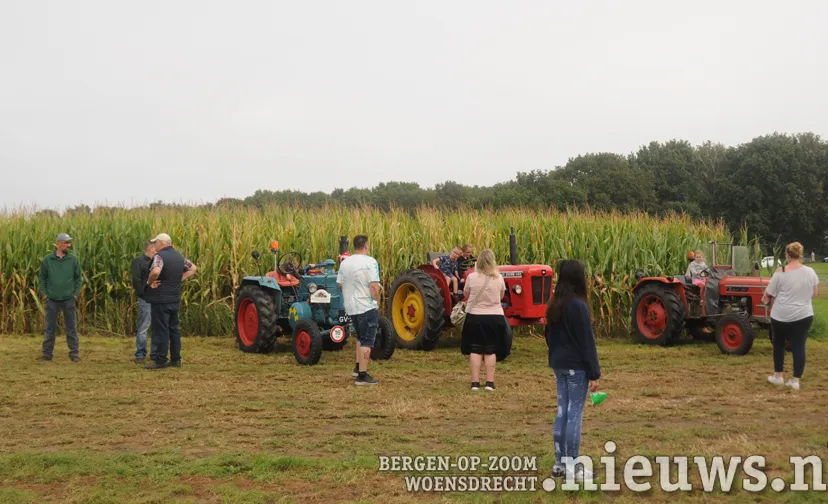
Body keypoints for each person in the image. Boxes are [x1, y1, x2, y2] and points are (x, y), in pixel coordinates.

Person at [544, 259, 601, 483]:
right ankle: (573, 466)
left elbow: (549, 336)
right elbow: (587, 342)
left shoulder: (554, 303)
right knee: (575, 413)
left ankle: (560, 463)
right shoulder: (578, 306)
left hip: (558, 364)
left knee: (562, 412)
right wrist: (594, 372)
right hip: (576, 368)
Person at [762, 242, 819, 390]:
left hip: (781, 315)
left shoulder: (780, 272)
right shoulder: (810, 272)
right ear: (800, 255)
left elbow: (769, 293)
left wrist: (767, 301)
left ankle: (778, 376)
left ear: (787, 255)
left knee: (778, 345)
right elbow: (815, 293)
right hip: (803, 315)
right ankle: (795, 381)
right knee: (799, 346)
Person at [143, 233, 198, 369]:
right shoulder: (179, 256)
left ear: (162, 243)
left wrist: (149, 282)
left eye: (155, 243)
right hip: (174, 298)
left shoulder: (159, 257)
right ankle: (176, 359)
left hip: (161, 299)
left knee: (162, 329)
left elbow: (156, 271)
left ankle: (161, 360)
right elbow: (193, 268)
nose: (154, 246)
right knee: (174, 329)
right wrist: (177, 279)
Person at [337, 234, 382, 385]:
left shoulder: (345, 263)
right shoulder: (370, 262)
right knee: (367, 341)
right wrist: (377, 302)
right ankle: (362, 376)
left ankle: (357, 367)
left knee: (359, 337)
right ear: (366, 246)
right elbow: (374, 286)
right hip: (366, 306)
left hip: (351, 307)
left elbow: (340, 284)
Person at [461, 249, 508, 391]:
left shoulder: (471, 277)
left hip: (474, 316)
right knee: (490, 350)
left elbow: (466, 294)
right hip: (494, 317)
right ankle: (489, 383)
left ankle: (475, 383)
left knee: (475, 350)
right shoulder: (499, 278)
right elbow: (501, 297)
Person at [37, 233, 83, 362]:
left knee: (71, 328)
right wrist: (44, 294)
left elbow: (78, 278)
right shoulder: (48, 260)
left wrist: (76, 294)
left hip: (69, 299)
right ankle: (47, 355)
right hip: (52, 299)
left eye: (69, 243)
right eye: (66, 242)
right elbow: (42, 278)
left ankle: (74, 354)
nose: (69, 245)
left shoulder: (73, 260)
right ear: (58, 243)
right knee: (50, 328)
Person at [131, 240, 156, 363]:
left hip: (158, 298)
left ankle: (155, 353)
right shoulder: (138, 261)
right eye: (155, 248)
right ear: (150, 249)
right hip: (146, 298)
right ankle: (140, 354)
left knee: (157, 326)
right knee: (144, 327)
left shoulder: (157, 260)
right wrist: (143, 293)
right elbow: (136, 280)